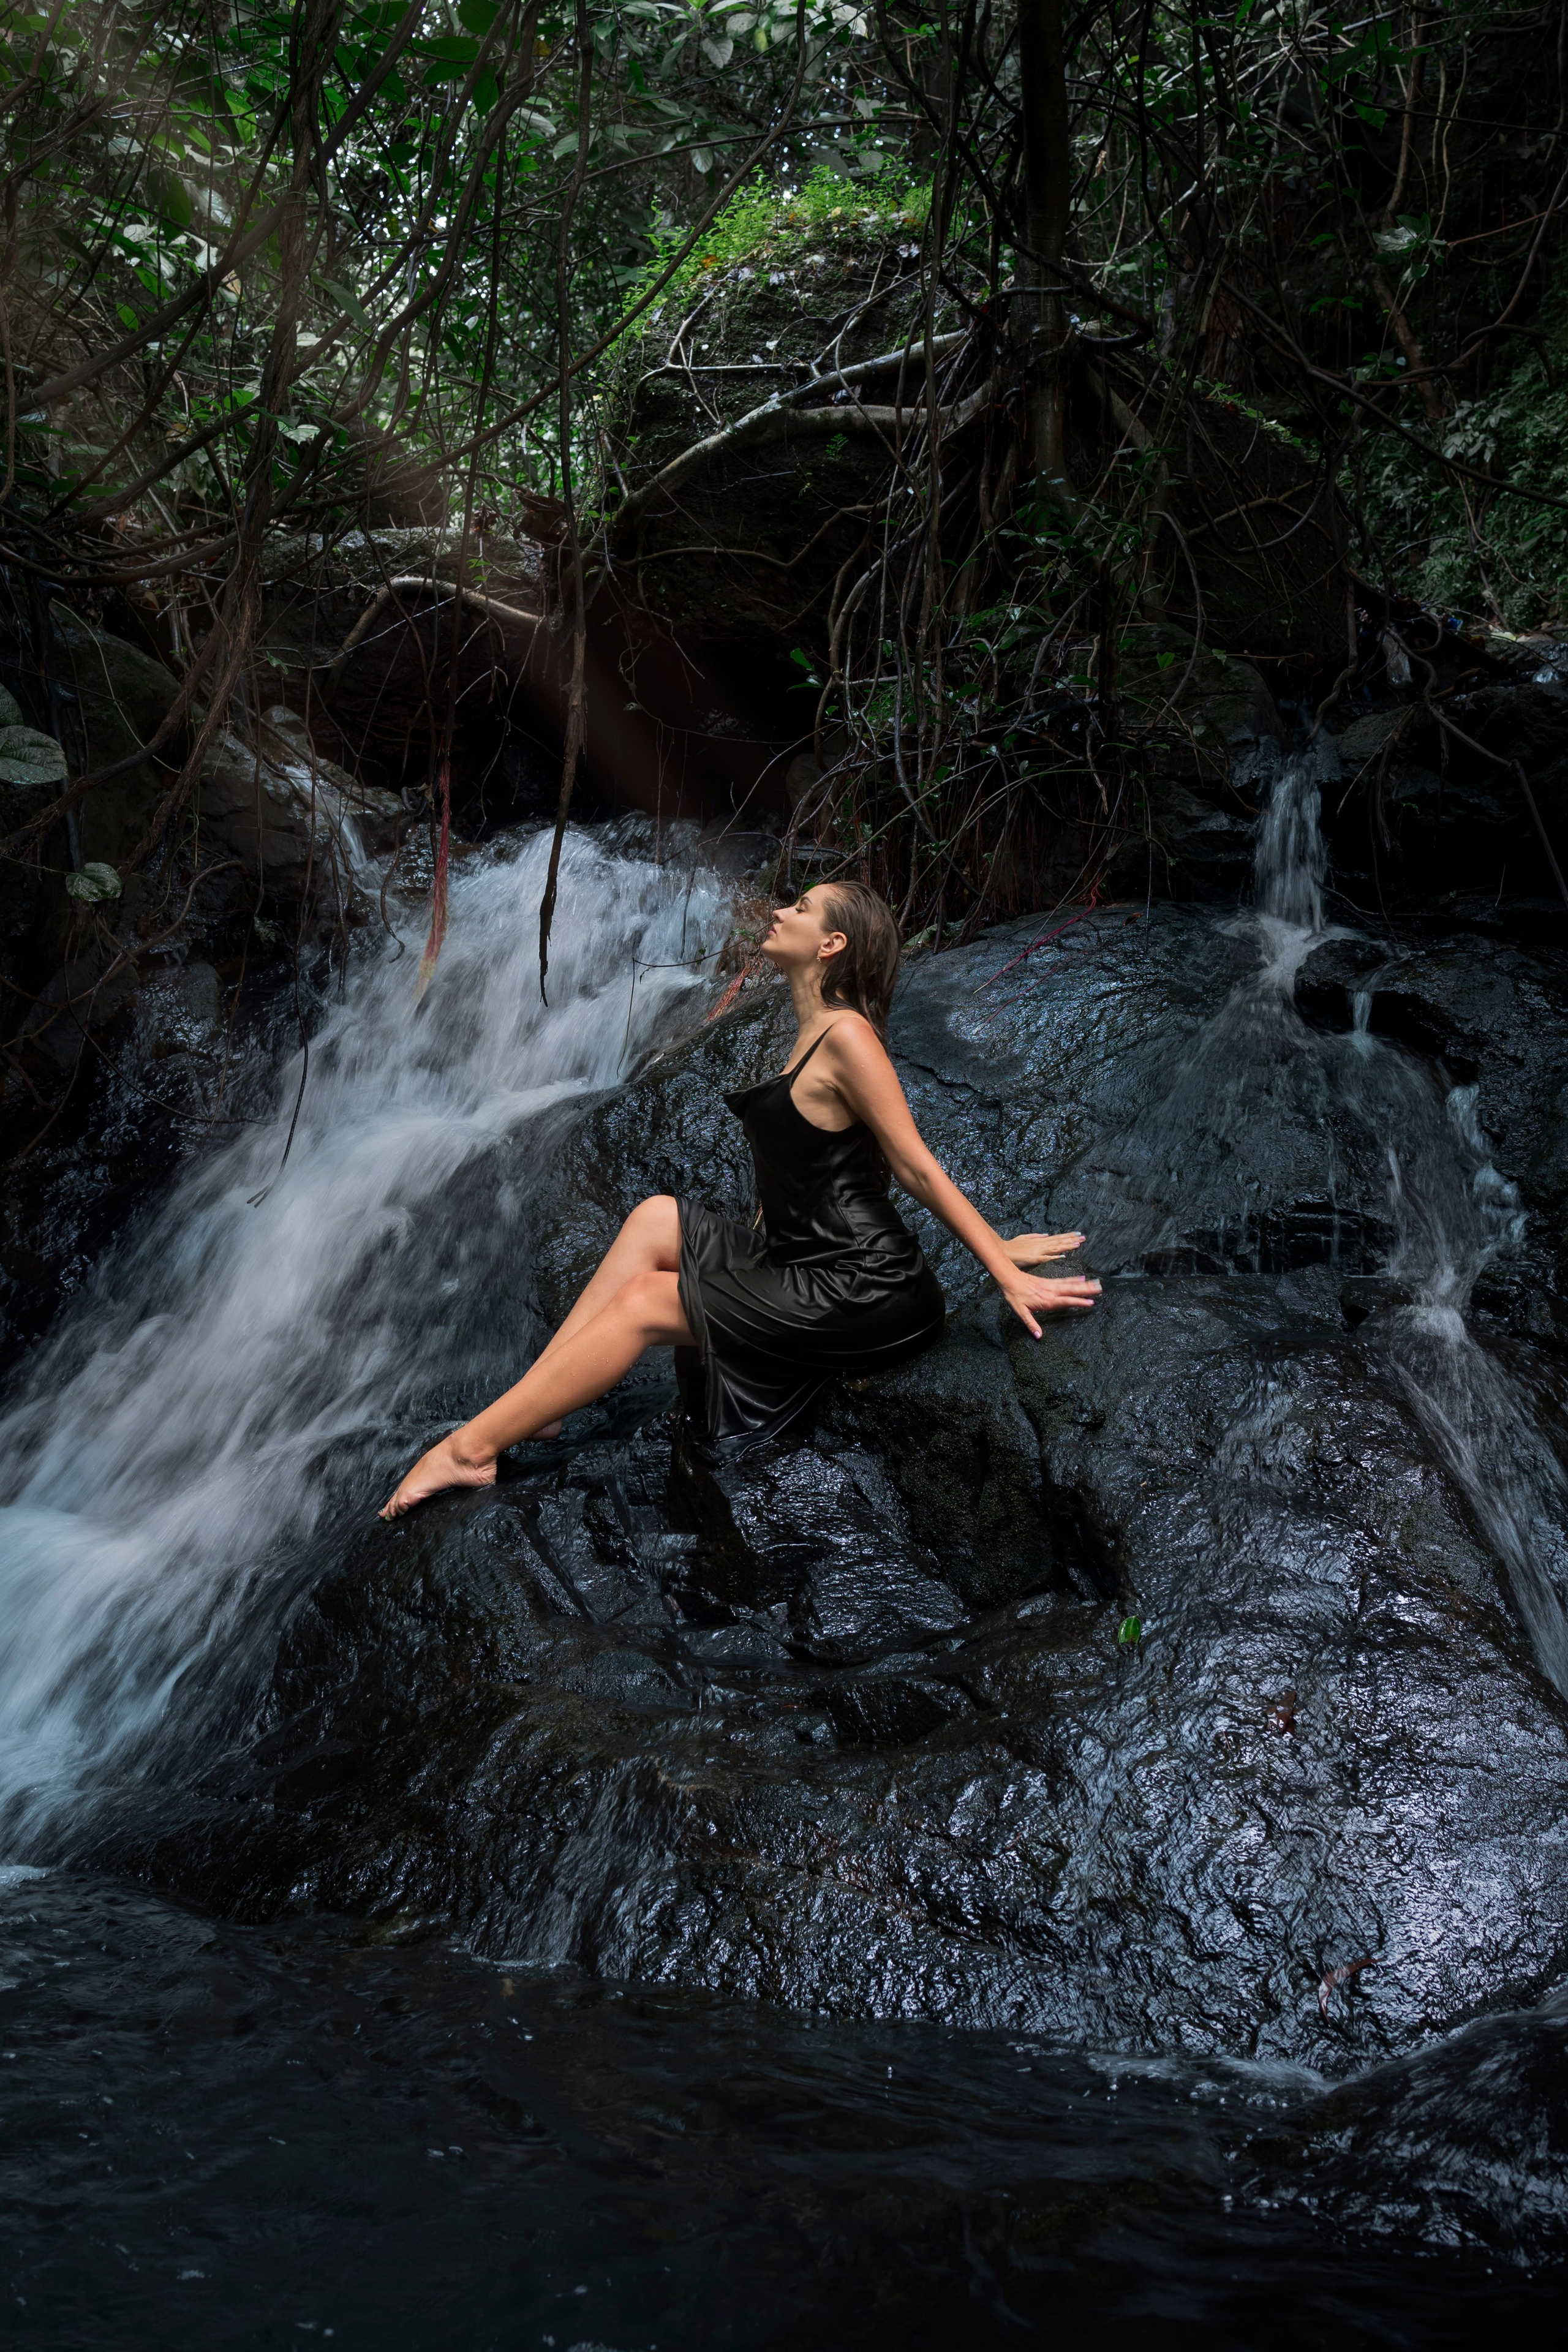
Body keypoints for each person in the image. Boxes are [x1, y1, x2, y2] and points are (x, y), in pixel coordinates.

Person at [380, 880, 1099, 1517]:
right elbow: (822, 1165)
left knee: (643, 1304)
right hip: (798, 1259)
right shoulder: (809, 1032)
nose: (782, 912)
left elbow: (913, 1167)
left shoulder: (846, 1035)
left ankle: (469, 1449)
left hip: (866, 1290)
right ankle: (537, 1404)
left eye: (802, 907)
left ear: (831, 944)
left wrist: (1002, 1269)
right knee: (656, 1217)